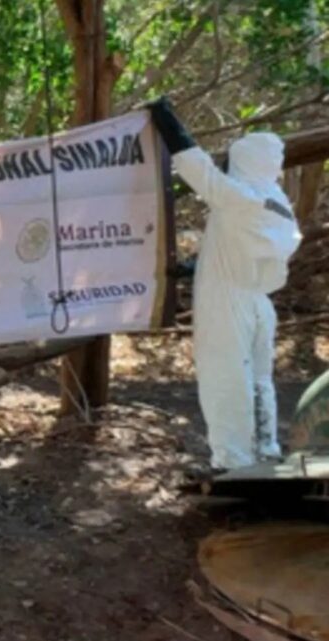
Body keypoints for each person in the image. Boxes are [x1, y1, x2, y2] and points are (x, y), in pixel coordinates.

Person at [146, 97, 303, 472]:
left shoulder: (238, 197)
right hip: (257, 301)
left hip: (229, 305)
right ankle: (264, 449)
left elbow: (195, 166)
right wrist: (195, 268)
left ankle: (234, 460)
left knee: (226, 378)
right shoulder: (277, 201)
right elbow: (244, 248)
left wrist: (164, 117)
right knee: (259, 380)